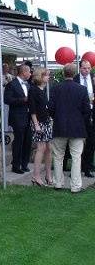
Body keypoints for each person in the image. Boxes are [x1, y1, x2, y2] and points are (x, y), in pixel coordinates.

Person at [49, 64, 92, 193]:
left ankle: (58, 183)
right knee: (76, 157)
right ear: (74, 74)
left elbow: (50, 108)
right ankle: (75, 186)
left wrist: (57, 118)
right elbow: (86, 110)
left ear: (63, 73)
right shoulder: (82, 89)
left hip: (60, 126)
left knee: (58, 156)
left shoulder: (56, 88)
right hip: (77, 128)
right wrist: (80, 122)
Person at [5, 64, 32, 174]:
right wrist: (23, 100)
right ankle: (16, 165)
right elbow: (7, 100)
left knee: (28, 141)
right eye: (29, 71)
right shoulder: (12, 85)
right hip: (17, 116)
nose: (30, 74)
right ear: (24, 72)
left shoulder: (28, 85)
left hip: (27, 116)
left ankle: (24, 164)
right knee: (19, 141)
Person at [28, 67, 53, 186]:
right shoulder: (33, 90)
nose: (48, 77)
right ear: (40, 76)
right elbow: (32, 110)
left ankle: (48, 175)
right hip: (38, 123)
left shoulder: (42, 90)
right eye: (46, 75)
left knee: (49, 149)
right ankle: (36, 175)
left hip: (46, 122)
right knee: (41, 148)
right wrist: (36, 125)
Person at [74, 60, 95, 176]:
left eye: (88, 68)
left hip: (92, 114)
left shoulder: (93, 78)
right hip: (79, 115)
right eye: (84, 68)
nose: (86, 70)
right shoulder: (75, 79)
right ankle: (80, 166)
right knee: (78, 142)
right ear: (80, 68)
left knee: (91, 141)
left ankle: (88, 166)